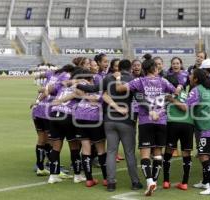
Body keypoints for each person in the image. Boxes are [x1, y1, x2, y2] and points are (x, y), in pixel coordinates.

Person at [114, 56, 181, 196]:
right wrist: (179, 87)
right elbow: (175, 92)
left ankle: (150, 181)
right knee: (157, 154)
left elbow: (120, 89)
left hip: (146, 121)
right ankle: (154, 181)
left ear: (143, 69)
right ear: (155, 68)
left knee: (145, 153)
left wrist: (118, 77)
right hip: (161, 121)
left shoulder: (139, 81)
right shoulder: (163, 80)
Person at [77, 59, 143, 192]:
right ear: (130, 68)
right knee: (129, 153)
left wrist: (79, 85)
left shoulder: (108, 78)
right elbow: (140, 98)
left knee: (111, 152)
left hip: (109, 119)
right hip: (126, 120)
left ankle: (111, 183)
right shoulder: (133, 79)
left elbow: (93, 88)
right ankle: (135, 182)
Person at [186, 68, 210, 195]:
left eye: (192, 75)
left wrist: (171, 101)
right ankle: (207, 182)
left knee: (203, 156)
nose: (190, 77)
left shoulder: (196, 90)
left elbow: (185, 107)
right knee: (207, 155)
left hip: (208, 127)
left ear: (196, 79)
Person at [162, 57, 194, 191]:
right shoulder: (187, 93)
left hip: (174, 124)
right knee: (186, 153)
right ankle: (184, 182)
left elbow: (185, 108)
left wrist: (171, 100)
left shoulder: (168, 95)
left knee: (169, 151)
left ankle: (166, 181)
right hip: (188, 125)